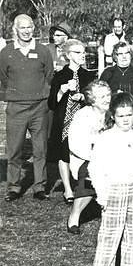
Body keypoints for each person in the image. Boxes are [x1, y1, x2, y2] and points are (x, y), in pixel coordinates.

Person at [88, 92, 133, 266]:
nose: (126, 120)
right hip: (114, 189)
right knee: (110, 233)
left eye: (129, 115)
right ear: (113, 116)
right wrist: (102, 194)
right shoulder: (105, 138)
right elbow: (95, 168)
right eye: (121, 116)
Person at [0, 14, 54, 202]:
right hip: (16, 107)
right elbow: (4, 79)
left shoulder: (43, 51)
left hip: (40, 107)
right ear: (15, 30)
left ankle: (39, 186)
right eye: (22, 27)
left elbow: (48, 76)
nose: (26, 31)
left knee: (40, 149)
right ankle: (14, 187)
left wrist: (38, 94)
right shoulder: (6, 52)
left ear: (34, 28)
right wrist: (19, 94)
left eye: (29, 27)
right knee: (14, 150)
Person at [47, 39, 95, 204]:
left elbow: (94, 99)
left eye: (83, 52)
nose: (82, 55)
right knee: (63, 152)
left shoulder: (88, 75)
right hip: (63, 120)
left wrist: (83, 96)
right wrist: (62, 90)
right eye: (77, 52)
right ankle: (67, 188)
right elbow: (51, 104)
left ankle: (82, 184)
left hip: (83, 121)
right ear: (68, 55)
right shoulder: (60, 76)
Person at [66, 80, 112, 233]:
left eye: (108, 95)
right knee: (89, 173)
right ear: (92, 100)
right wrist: (95, 157)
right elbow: (75, 143)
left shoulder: (113, 113)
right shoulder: (83, 115)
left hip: (110, 157)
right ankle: (75, 215)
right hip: (85, 158)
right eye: (102, 97)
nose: (107, 99)